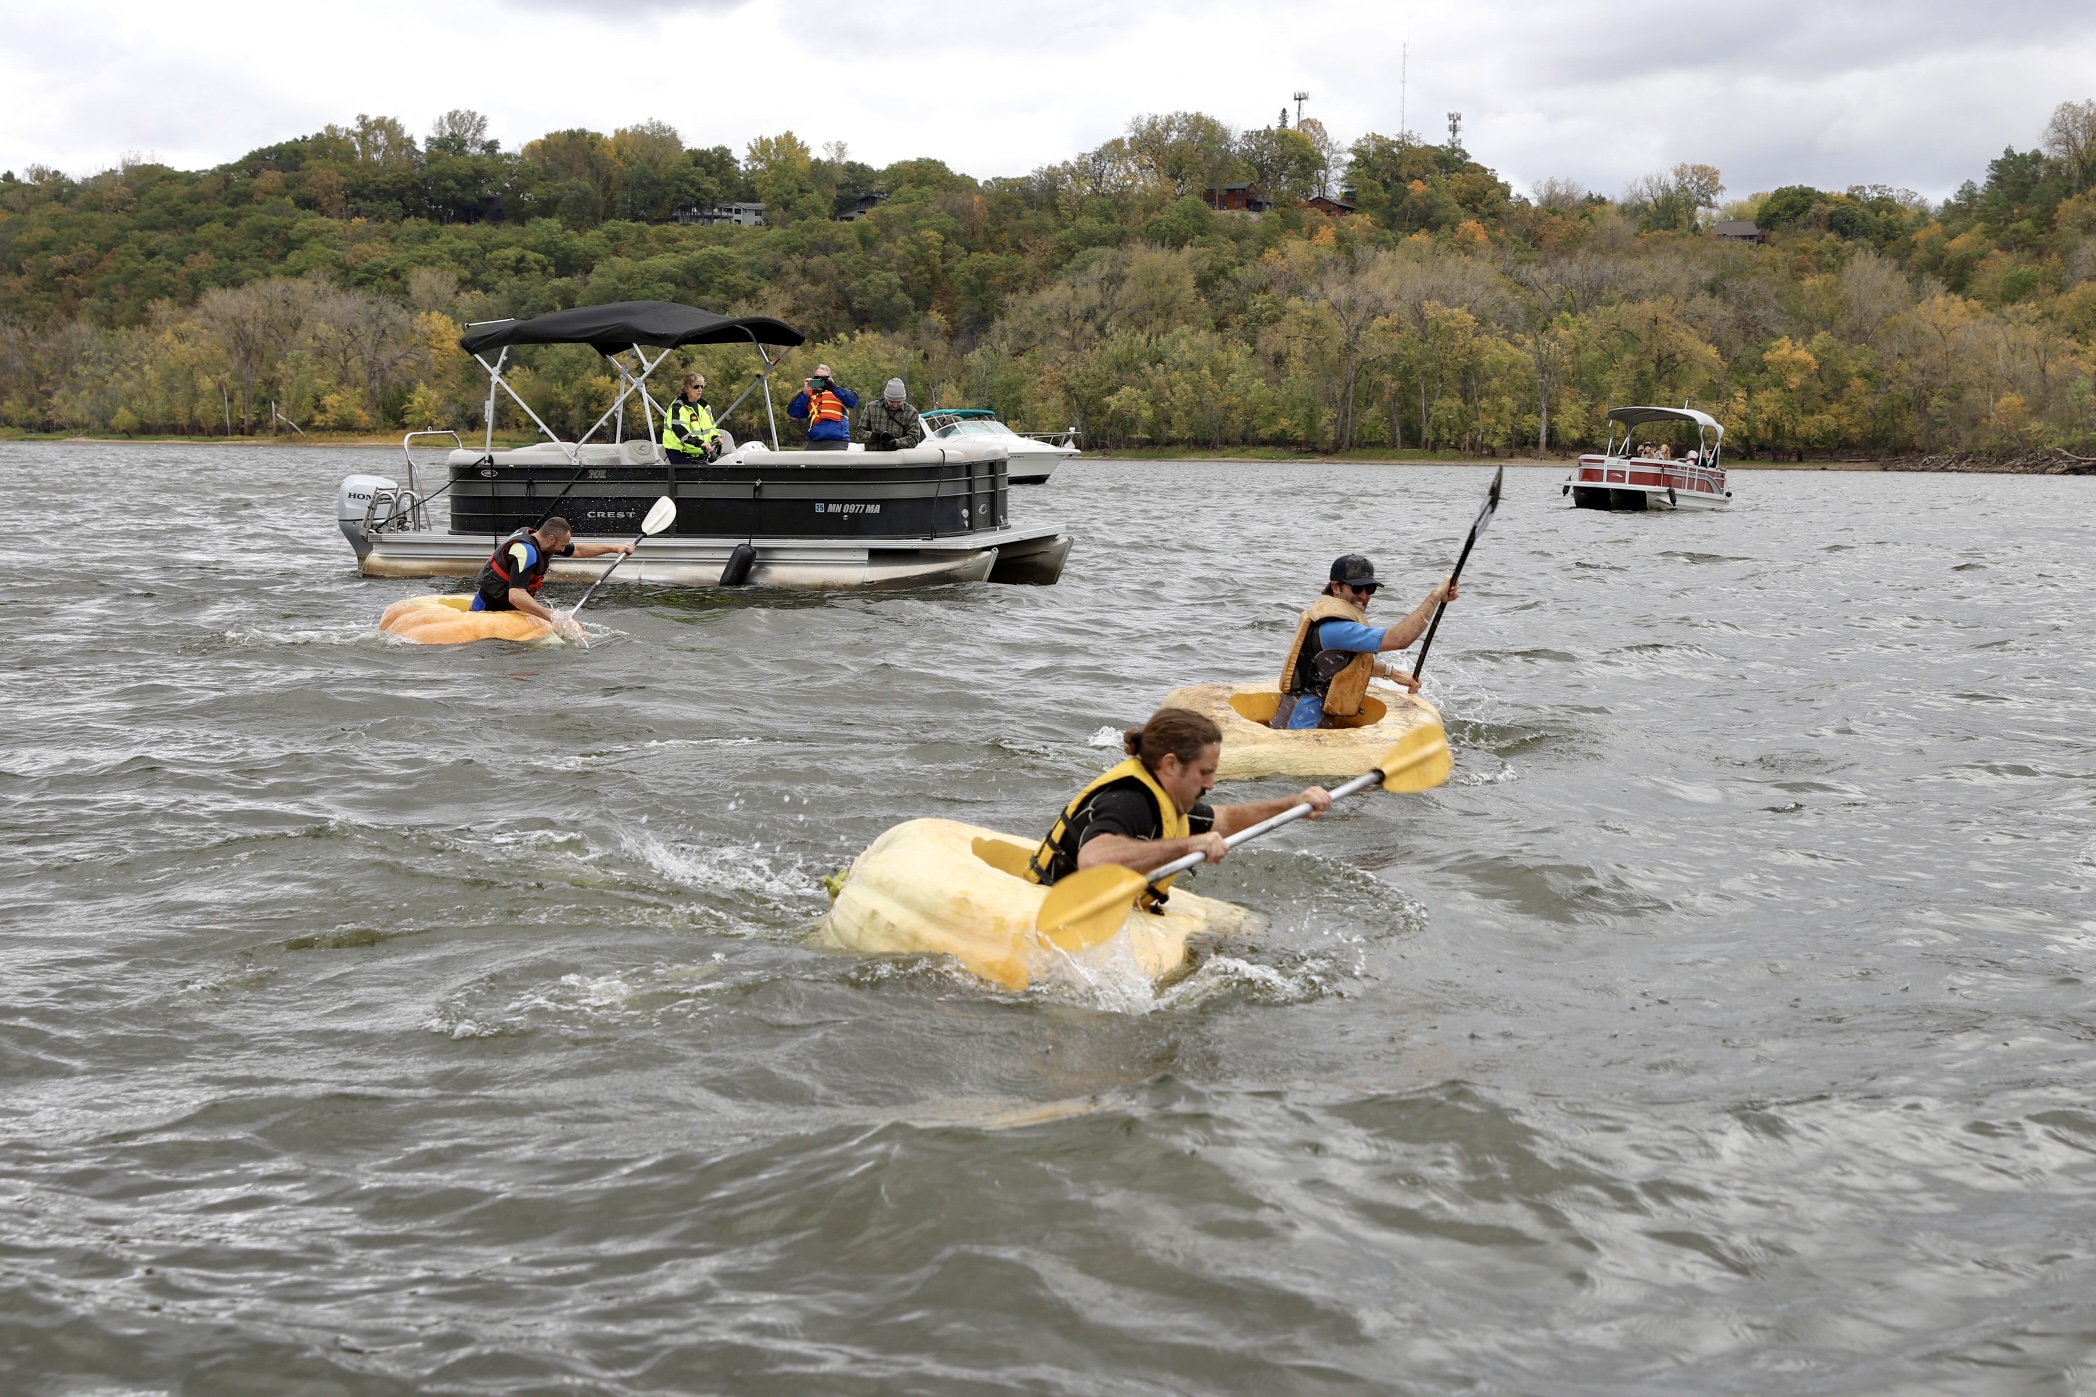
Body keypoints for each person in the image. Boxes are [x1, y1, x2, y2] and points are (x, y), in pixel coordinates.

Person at [1025, 707, 1333, 910]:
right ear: (1171, 764)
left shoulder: (1167, 798)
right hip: (1048, 908)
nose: (1211, 784)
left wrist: (1293, 803)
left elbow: (1224, 819)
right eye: (1204, 773)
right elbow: (1094, 859)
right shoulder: (1129, 799)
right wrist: (1189, 845)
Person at [1272, 554, 1457, 731]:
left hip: (1296, 723)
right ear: (1336, 587)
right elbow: (1400, 639)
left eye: (1370, 589)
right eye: (1356, 588)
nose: (1364, 596)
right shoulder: (1337, 629)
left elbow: (1340, 665)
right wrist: (1436, 595)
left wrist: (1392, 674)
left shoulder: (1331, 622)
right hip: (1299, 733)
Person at [471, 516, 632, 629]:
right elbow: (516, 596)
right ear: (551, 539)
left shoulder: (540, 540)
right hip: (488, 612)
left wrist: (614, 548)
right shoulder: (525, 552)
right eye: (562, 545)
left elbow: (578, 550)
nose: (563, 549)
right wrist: (552, 616)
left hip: (508, 610)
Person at [787, 363, 857, 450]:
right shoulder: (810, 397)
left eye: (823, 378)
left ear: (830, 378)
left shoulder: (840, 393)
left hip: (836, 441)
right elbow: (793, 412)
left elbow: (853, 401)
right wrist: (804, 393)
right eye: (817, 378)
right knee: (805, 462)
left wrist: (832, 386)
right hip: (815, 441)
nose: (820, 381)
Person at [662, 372, 721, 462]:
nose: (700, 389)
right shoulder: (678, 408)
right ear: (687, 388)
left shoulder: (705, 407)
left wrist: (716, 437)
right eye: (696, 386)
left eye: (702, 386)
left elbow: (711, 427)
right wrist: (700, 443)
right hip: (680, 454)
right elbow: (680, 431)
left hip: (699, 453)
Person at [858, 378, 924, 451]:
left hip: (898, 458)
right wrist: (874, 436)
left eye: (899, 402)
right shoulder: (871, 408)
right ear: (886, 398)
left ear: (904, 399)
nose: (895, 405)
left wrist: (896, 442)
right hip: (873, 457)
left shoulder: (911, 412)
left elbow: (914, 439)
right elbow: (859, 433)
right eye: (891, 402)